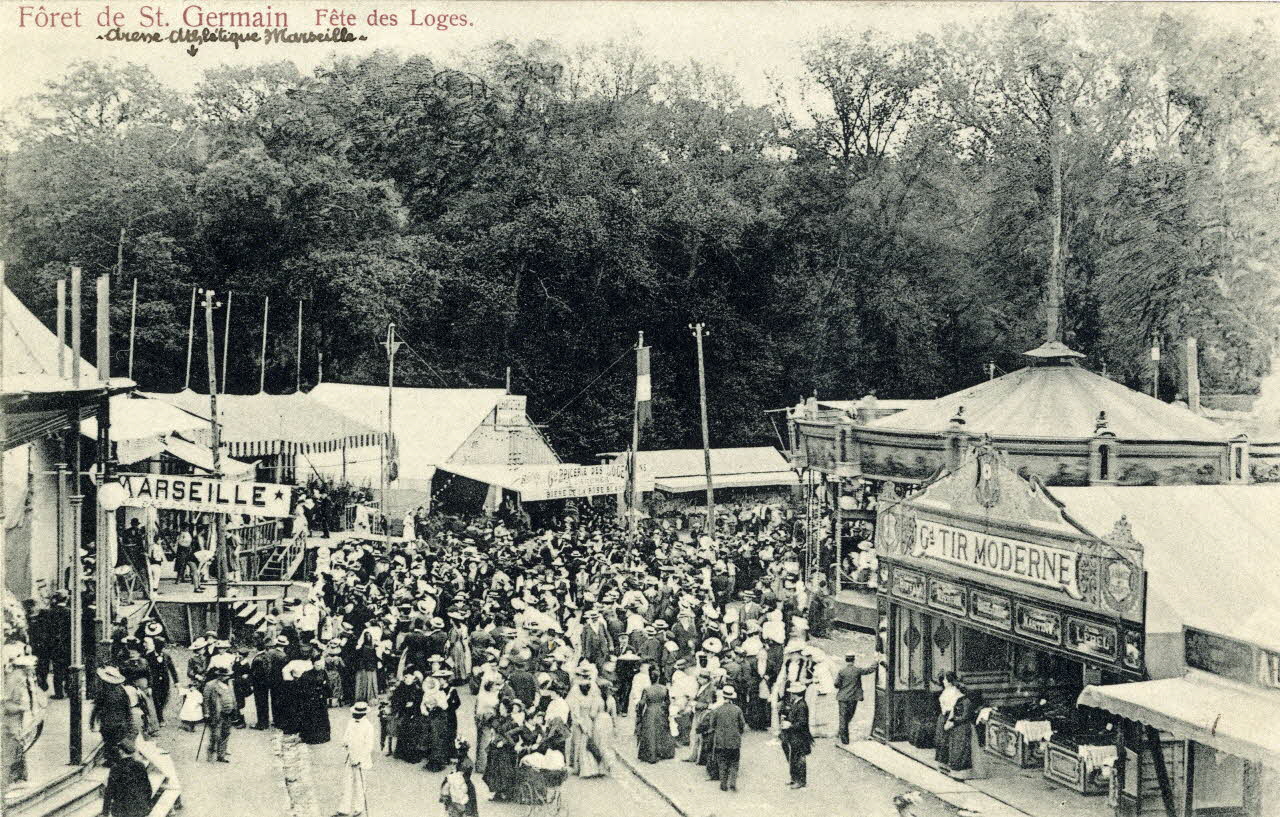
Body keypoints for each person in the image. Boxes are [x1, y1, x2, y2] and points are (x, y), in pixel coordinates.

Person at [336, 702, 377, 817]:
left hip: (361, 761)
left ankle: (358, 809)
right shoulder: (351, 722)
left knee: (360, 785)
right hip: (350, 757)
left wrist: (359, 759)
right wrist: (345, 743)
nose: (354, 715)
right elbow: (347, 736)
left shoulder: (368, 726)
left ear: (363, 714)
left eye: (357, 714)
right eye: (354, 713)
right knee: (347, 783)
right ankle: (344, 809)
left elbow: (369, 746)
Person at [90, 666, 136, 764]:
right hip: (120, 721)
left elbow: (97, 708)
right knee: (114, 741)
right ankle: (114, 759)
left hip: (108, 722)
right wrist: (129, 720)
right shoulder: (122, 691)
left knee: (109, 741)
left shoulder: (103, 692)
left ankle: (112, 760)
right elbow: (127, 707)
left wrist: (92, 721)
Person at [834, 650, 881, 745]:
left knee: (843, 717)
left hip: (842, 698)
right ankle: (842, 733)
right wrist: (876, 661)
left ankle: (844, 738)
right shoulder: (857, 670)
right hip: (853, 698)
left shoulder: (842, 671)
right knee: (849, 716)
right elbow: (870, 670)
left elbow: (836, 684)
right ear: (854, 660)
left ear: (846, 660)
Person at [707, 685, 745, 792]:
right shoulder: (737, 710)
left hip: (720, 741)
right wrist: (738, 733)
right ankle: (732, 782)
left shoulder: (717, 710)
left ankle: (723, 783)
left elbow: (712, 725)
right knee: (734, 762)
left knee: (722, 762)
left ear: (723, 697)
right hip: (734, 741)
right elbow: (742, 725)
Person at [101, 739, 152, 817]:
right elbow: (148, 788)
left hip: (121, 810)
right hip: (139, 809)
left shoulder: (116, 768)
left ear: (121, 751)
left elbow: (109, 792)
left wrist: (105, 812)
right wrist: (146, 804)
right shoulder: (140, 765)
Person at [635, 666, 675, 764]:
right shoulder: (664, 689)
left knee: (650, 732)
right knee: (662, 730)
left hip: (650, 711)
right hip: (661, 711)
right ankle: (664, 753)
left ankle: (650, 754)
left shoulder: (647, 689)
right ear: (658, 678)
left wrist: (639, 713)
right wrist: (665, 711)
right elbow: (668, 702)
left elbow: (642, 703)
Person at [780, 681, 812, 789]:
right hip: (795, 736)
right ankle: (794, 779)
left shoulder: (802, 705)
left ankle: (800, 781)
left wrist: (790, 725)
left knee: (799, 758)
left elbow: (802, 723)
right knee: (793, 757)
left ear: (795, 693)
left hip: (800, 737)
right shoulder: (796, 703)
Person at [203, 666, 236, 762]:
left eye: (228, 675)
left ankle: (221, 755)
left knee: (226, 733)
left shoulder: (229, 684)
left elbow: (233, 697)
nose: (228, 677)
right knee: (215, 735)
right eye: (225, 676)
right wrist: (206, 713)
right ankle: (211, 755)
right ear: (220, 676)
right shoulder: (210, 685)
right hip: (216, 713)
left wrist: (234, 709)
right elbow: (206, 700)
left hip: (228, 712)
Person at [440, 746, 480, 817]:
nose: (459, 752)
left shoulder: (467, 762)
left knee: (465, 806)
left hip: (463, 784)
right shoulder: (457, 761)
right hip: (456, 785)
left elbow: (465, 774)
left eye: (461, 751)